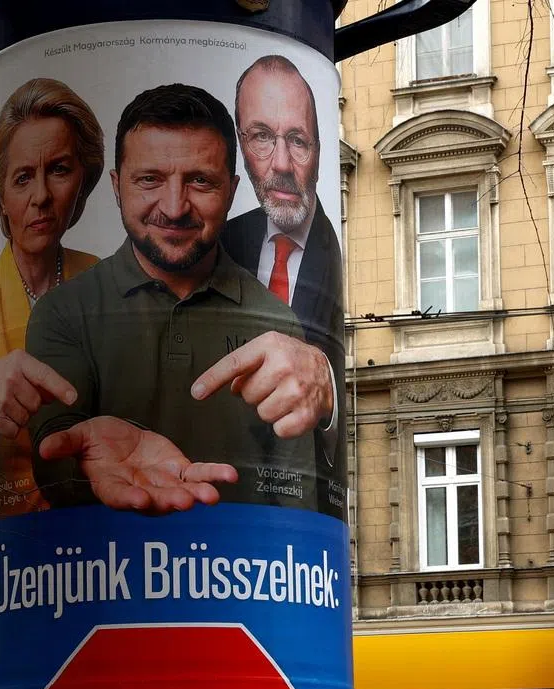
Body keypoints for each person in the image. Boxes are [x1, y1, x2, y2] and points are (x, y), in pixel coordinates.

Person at [27, 83, 337, 514]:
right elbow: (50, 461)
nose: (174, 208)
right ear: (117, 187)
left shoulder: (277, 325)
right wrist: (83, 462)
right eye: (150, 179)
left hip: (239, 577)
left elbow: (297, 502)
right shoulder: (60, 313)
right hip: (104, 573)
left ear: (231, 191)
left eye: (200, 182)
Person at [0, 78, 104, 522]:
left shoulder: (105, 280)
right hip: (23, 555)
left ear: (83, 181)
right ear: (1, 195)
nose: (42, 197)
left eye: (60, 170)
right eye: (23, 177)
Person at [224, 55, 347, 505]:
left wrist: (327, 390)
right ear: (240, 142)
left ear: (318, 150)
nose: (279, 163)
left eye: (297, 141)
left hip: (304, 506)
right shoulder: (222, 241)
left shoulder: (334, 251)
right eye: (261, 137)